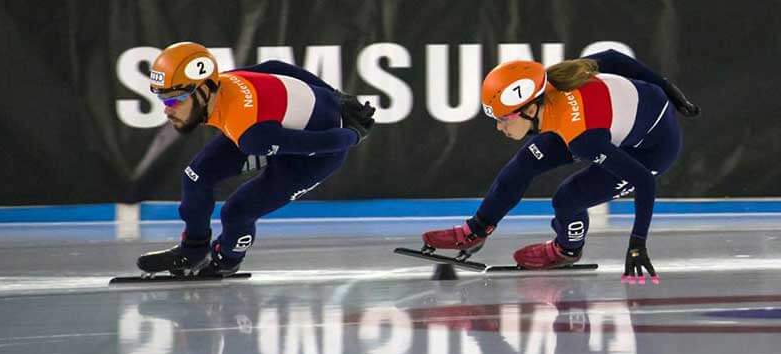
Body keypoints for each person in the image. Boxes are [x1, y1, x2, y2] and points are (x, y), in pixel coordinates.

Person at [422, 49, 699, 283]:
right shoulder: (554, 80)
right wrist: (666, 86)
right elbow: (613, 58)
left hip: (652, 150)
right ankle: (477, 230)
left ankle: (568, 249)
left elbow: (644, 180)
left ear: (530, 110)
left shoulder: (582, 138)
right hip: (620, 121)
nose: (498, 127)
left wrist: (638, 243)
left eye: (503, 118)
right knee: (523, 163)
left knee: (568, 198)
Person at [137, 42, 375, 276]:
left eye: (174, 99)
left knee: (237, 211)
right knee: (195, 177)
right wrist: (336, 95)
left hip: (318, 153)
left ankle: (227, 259)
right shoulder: (223, 82)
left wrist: (354, 134)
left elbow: (326, 144)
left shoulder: (251, 134)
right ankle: (194, 250)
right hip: (270, 126)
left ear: (204, 89)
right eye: (162, 99)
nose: (167, 109)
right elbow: (275, 66)